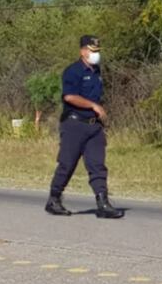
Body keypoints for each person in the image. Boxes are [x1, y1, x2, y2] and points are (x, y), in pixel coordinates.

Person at [45, 35, 124, 219]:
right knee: (67, 164)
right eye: (92, 51)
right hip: (74, 124)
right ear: (82, 51)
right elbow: (69, 96)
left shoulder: (97, 71)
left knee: (97, 165)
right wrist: (93, 106)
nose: (96, 54)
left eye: (97, 51)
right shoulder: (73, 71)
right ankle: (54, 199)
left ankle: (103, 203)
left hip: (94, 126)